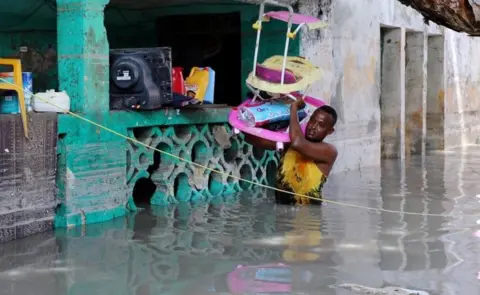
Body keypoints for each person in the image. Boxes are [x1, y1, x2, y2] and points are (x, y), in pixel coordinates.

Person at [245, 99, 338, 205]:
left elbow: (298, 143)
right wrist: (243, 125)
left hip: (308, 215)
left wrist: (293, 109)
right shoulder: (290, 142)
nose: (313, 127)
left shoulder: (329, 151)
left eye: (320, 125)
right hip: (281, 211)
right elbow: (254, 140)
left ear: (330, 131)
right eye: (312, 120)